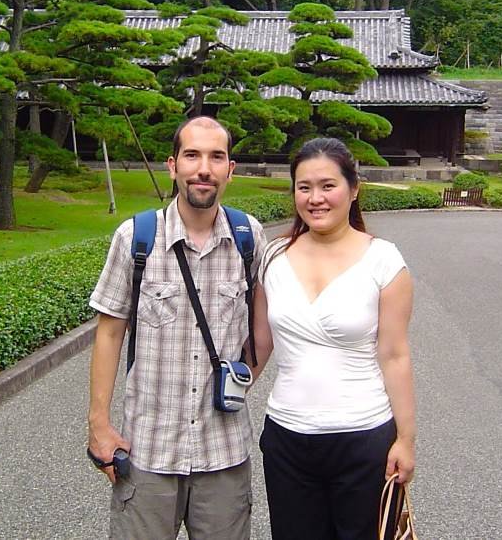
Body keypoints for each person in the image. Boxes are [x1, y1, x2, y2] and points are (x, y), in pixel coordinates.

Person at [86, 115, 267, 539]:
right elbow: (109, 333)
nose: (203, 168)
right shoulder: (136, 238)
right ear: (173, 166)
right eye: (192, 155)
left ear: (230, 170)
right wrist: (99, 425)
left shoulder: (248, 239)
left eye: (215, 157)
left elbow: (265, 329)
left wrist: (242, 380)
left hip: (224, 454)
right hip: (148, 450)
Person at [252, 137, 417, 539]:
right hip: (287, 438)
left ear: (353, 189)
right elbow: (257, 347)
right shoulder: (273, 258)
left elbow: (394, 355)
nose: (315, 198)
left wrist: (407, 440)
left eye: (328, 186)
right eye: (304, 187)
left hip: (363, 438)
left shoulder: (384, 260)